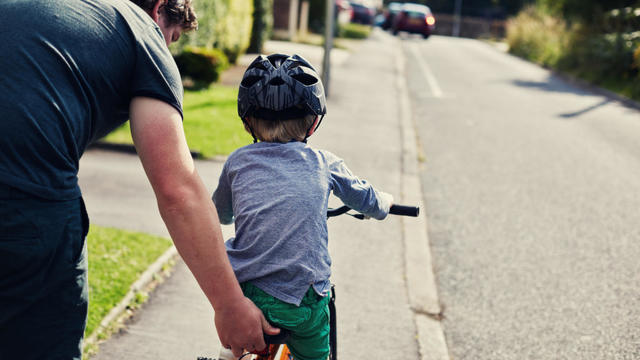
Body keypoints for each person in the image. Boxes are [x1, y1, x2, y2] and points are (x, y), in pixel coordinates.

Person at [0, 0, 276, 359]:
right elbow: (177, 190)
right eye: (172, 37)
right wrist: (229, 305)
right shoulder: (141, 35)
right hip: (24, 205)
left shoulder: (55, 11)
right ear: (159, 8)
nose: (167, 48)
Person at [212, 53, 394, 360]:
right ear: (313, 121)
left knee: (238, 340)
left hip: (249, 297)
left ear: (247, 120)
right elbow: (367, 200)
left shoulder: (237, 163)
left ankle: (231, 354)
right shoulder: (323, 163)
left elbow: (220, 213)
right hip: (303, 302)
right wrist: (384, 202)